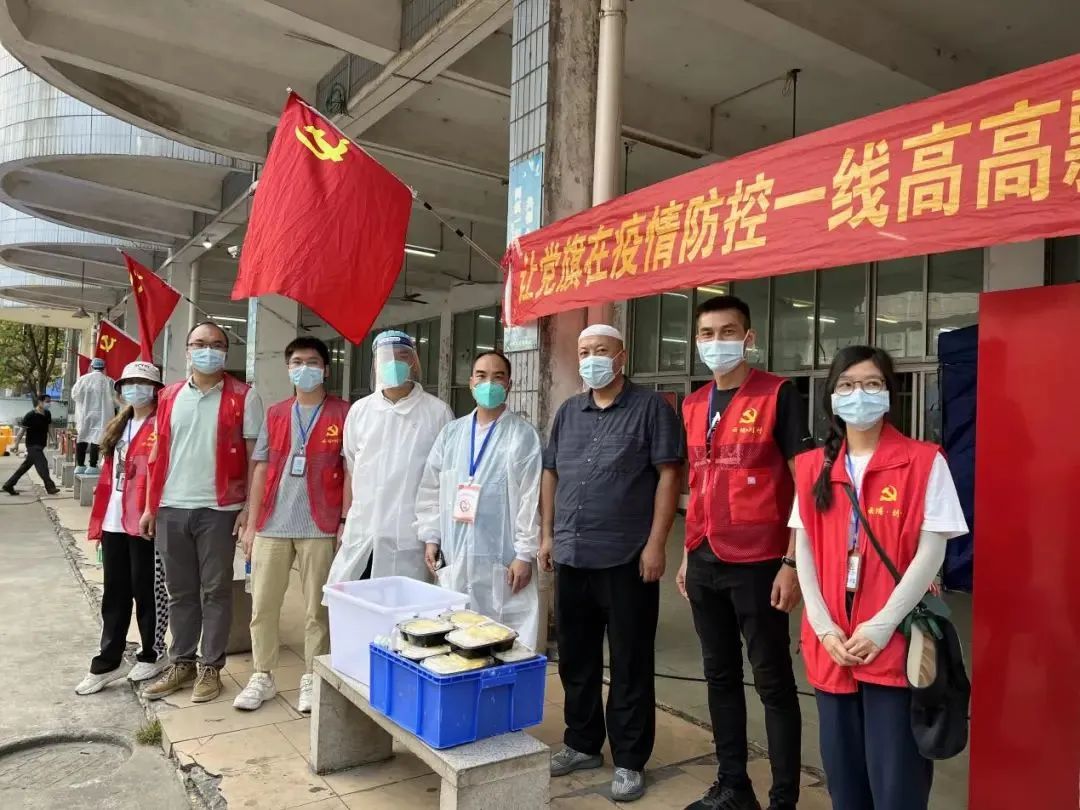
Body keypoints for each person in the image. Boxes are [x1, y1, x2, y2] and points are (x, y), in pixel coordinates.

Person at [791, 346, 967, 810]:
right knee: (845, 785)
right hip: (833, 647)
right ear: (832, 397)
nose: (859, 394)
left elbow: (932, 551)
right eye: (847, 385)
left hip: (894, 645)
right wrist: (823, 627)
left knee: (897, 787)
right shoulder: (811, 466)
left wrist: (883, 625)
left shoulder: (924, 461)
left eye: (872, 384)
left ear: (890, 393)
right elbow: (804, 547)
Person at [539, 324, 683, 803]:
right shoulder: (568, 412)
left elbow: (668, 476)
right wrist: (547, 534)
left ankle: (629, 759)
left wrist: (656, 544)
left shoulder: (651, 409)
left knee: (630, 661)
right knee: (576, 658)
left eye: (601, 350)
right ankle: (582, 743)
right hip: (573, 553)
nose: (591, 359)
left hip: (627, 559)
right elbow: (551, 472)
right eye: (584, 352)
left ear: (621, 356)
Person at [677, 296, 810, 810]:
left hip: (760, 562)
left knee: (772, 681)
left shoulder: (778, 394)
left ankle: (783, 799)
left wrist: (792, 562)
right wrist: (688, 553)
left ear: (748, 338)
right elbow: (699, 483)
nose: (717, 342)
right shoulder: (693, 404)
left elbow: (804, 486)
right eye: (707, 334)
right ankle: (734, 785)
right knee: (720, 676)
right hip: (705, 557)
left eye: (727, 331)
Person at [140, 321, 263, 704]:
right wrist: (150, 506)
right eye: (199, 343)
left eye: (216, 344)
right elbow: (157, 453)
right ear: (187, 351)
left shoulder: (245, 396)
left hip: (219, 509)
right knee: (179, 592)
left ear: (226, 351)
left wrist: (248, 509)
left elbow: (255, 459)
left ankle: (211, 666)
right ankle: (182, 662)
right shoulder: (169, 395)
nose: (207, 350)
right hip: (171, 507)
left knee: (215, 591)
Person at [234, 337, 349, 714]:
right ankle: (262, 674)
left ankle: (312, 676)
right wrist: (252, 523)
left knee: (317, 610)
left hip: (321, 523)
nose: (305, 368)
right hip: (272, 523)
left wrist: (344, 520)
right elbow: (261, 468)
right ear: (288, 369)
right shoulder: (276, 413)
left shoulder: (343, 413)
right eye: (297, 362)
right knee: (263, 604)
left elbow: (350, 470)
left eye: (313, 362)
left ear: (326, 369)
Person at [416, 351, 542, 648]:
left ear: (509, 385)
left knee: (502, 637)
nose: (489, 384)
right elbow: (431, 487)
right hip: (456, 553)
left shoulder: (522, 436)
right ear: (471, 382)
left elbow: (531, 498)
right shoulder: (452, 433)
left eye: (498, 377)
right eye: (482, 376)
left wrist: (524, 555)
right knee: (455, 634)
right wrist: (431, 536)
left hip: (502, 557)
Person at [327, 330, 453, 586]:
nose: (393, 363)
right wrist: (344, 520)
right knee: (358, 598)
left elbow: (443, 479)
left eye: (402, 356)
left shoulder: (437, 412)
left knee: (407, 604)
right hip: (364, 532)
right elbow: (352, 468)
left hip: (411, 538)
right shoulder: (360, 411)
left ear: (414, 361)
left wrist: (435, 533)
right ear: (375, 364)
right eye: (385, 357)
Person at [77, 361, 169, 694]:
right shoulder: (119, 424)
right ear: (120, 391)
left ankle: (153, 653)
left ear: (156, 390)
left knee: (148, 590)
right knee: (114, 593)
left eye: (143, 383)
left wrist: (153, 510)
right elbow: (109, 474)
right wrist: (101, 518)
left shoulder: (162, 425)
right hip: (114, 520)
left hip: (144, 522)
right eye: (129, 383)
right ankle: (108, 661)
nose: (135, 388)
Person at [4, 393, 59, 496]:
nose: (49, 403)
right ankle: (50, 487)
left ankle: (9, 485)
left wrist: (54, 440)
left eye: (49, 401)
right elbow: (21, 431)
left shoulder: (47, 414)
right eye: (47, 401)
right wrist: (16, 445)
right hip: (32, 445)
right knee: (43, 465)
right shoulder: (30, 415)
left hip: (41, 445)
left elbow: (50, 427)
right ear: (40, 402)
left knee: (24, 467)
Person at [71, 356, 115, 473]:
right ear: (104, 368)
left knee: (82, 436)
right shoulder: (109, 381)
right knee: (97, 439)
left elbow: (74, 395)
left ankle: (80, 465)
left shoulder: (83, 380)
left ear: (91, 367)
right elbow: (116, 399)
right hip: (103, 415)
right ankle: (92, 466)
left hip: (85, 414)